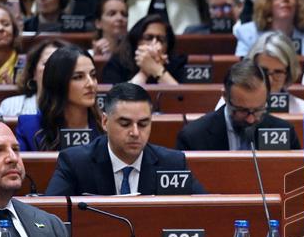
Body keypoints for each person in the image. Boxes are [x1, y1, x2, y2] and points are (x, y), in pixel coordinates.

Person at [46, 83, 205, 196]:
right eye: (125, 123)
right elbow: (48, 217)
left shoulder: (172, 164)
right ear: (105, 122)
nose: (135, 133)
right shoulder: (75, 163)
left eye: (143, 124)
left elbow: (204, 210)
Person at [176, 58, 301, 151]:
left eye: (258, 109)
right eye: (242, 110)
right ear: (225, 96)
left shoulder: (283, 132)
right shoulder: (194, 137)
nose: (251, 119)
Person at [15, 45, 102, 152]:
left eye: (93, 75)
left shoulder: (107, 126)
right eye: (78, 77)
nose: (91, 83)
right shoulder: (29, 127)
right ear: (58, 83)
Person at [234, 31, 304, 113]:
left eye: (278, 72)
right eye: (263, 71)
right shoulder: (231, 103)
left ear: (289, 73)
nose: (270, 80)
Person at [101, 14, 187, 85]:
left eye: (161, 39)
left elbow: (182, 100)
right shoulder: (117, 63)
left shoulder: (177, 63)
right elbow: (118, 102)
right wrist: (144, 73)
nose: (154, 44)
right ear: (136, 41)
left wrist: (157, 70)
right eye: (148, 38)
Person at [0, 39, 69, 117]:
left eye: (60, 64)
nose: (53, 68)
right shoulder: (9, 107)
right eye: (46, 63)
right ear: (33, 72)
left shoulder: (80, 109)